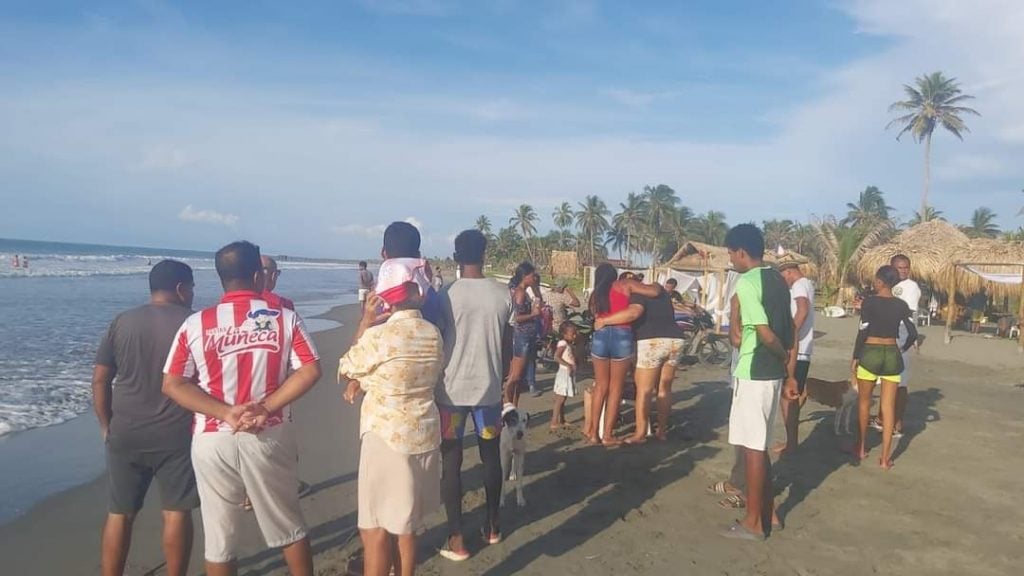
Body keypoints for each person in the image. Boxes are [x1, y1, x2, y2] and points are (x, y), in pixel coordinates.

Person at [162, 241, 322, 576]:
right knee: (288, 525)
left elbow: (173, 383)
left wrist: (224, 412)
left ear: (221, 278)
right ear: (257, 276)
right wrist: (265, 407)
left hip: (212, 438)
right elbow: (310, 369)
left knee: (219, 538)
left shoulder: (196, 324)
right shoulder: (284, 318)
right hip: (270, 433)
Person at [92, 260, 199, 576]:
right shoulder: (194, 324)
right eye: (192, 287)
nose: (193, 294)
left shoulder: (122, 321)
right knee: (176, 511)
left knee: (120, 513)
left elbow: (100, 379)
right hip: (177, 433)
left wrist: (105, 425)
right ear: (181, 288)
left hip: (126, 431)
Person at [339, 286, 444, 576]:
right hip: (423, 433)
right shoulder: (433, 334)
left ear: (386, 305)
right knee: (406, 525)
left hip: (387, 437)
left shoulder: (380, 336)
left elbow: (349, 365)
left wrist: (365, 322)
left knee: (374, 528)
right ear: (420, 299)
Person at [436, 229, 512, 560]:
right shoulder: (502, 294)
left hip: (451, 392)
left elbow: (437, 342)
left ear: (456, 256)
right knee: (490, 457)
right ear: (485, 254)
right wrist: (502, 374)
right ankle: (493, 526)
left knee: (452, 462)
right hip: (489, 392)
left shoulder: (445, 295)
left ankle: (456, 539)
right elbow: (507, 347)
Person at [720, 224, 796, 541]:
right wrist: (788, 369)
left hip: (755, 369)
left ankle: (753, 522)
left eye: (730, 254)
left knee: (752, 448)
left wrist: (778, 355)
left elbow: (759, 335)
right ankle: (770, 511)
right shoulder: (778, 279)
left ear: (740, 252)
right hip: (773, 374)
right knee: (760, 445)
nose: (731, 260)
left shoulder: (747, 282)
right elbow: (790, 327)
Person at [596, 279, 689, 444]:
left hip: (652, 341)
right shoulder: (663, 294)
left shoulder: (638, 295)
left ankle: (640, 433)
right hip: (676, 339)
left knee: (644, 390)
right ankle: (661, 431)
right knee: (664, 388)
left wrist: (604, 321)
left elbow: (633, 313)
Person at [850, 265, 918, 470]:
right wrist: (902, 348)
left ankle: (861, 448)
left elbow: (863, 331)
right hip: (891, 352)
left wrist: (855, 356)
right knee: (888, 408)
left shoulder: (869, 303)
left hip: (871, 350)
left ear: (880, 281)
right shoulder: (901, 305)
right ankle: (885, 458)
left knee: (864, 402)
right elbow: (912, 333)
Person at [585, 263, 659, 446]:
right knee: (616, 388)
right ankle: (608, 435)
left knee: (600, 386)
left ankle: (593, 433)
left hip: (601, 335)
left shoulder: (596, 294)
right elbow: (653, 292)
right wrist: (657, 285)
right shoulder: (624, 285)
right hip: (622, 335)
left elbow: (594, 316)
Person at [773, 254, 815, 455]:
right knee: (790, 396)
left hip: (797, 351)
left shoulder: (799, 285)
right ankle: (792, 441)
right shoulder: (806, 284)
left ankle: (791, 443)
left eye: (783, 276)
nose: (783, 281)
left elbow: (802, 310)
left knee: (787, 396)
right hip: (803, 349)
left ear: (789, 272)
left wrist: (790, 336)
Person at [879, 254, 921, 437]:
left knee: (900, 383)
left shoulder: (911, 287)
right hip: (886, 337)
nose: (903, 271)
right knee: (886, 381)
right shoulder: (889, 285)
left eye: (906, 267)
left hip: (901, 337)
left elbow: (906, 312)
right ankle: (883, 418)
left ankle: (897, 423)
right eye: (900, 267)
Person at [375, 222, 442, 325]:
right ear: (418, 255)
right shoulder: (431, 296)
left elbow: (363, 339)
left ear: (383, 252)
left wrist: (364, 323)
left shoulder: (375, 301)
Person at [503, 262, 542, 406]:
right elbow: (516, 318)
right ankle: (507, 405)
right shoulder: (519, 293)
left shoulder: (525, 291)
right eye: (532, 275)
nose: (534, 278)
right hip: (522, 337)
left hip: (528, 336)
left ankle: (513, 406)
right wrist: (532, 315)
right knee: (515, 376)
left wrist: (535, 288)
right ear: (525, 276)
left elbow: (539, 301)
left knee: (519, 378)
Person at [550, 322, 578, 430]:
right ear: (564, 334)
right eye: (572, 334)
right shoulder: (563, 344)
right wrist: (568, 365)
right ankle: (554, 421)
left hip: (567, 373)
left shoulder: (569, 344)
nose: (574, 336)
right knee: (560, 399)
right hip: (564, 373)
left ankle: (561, 419)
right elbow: (556, 357)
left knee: (563, 398)